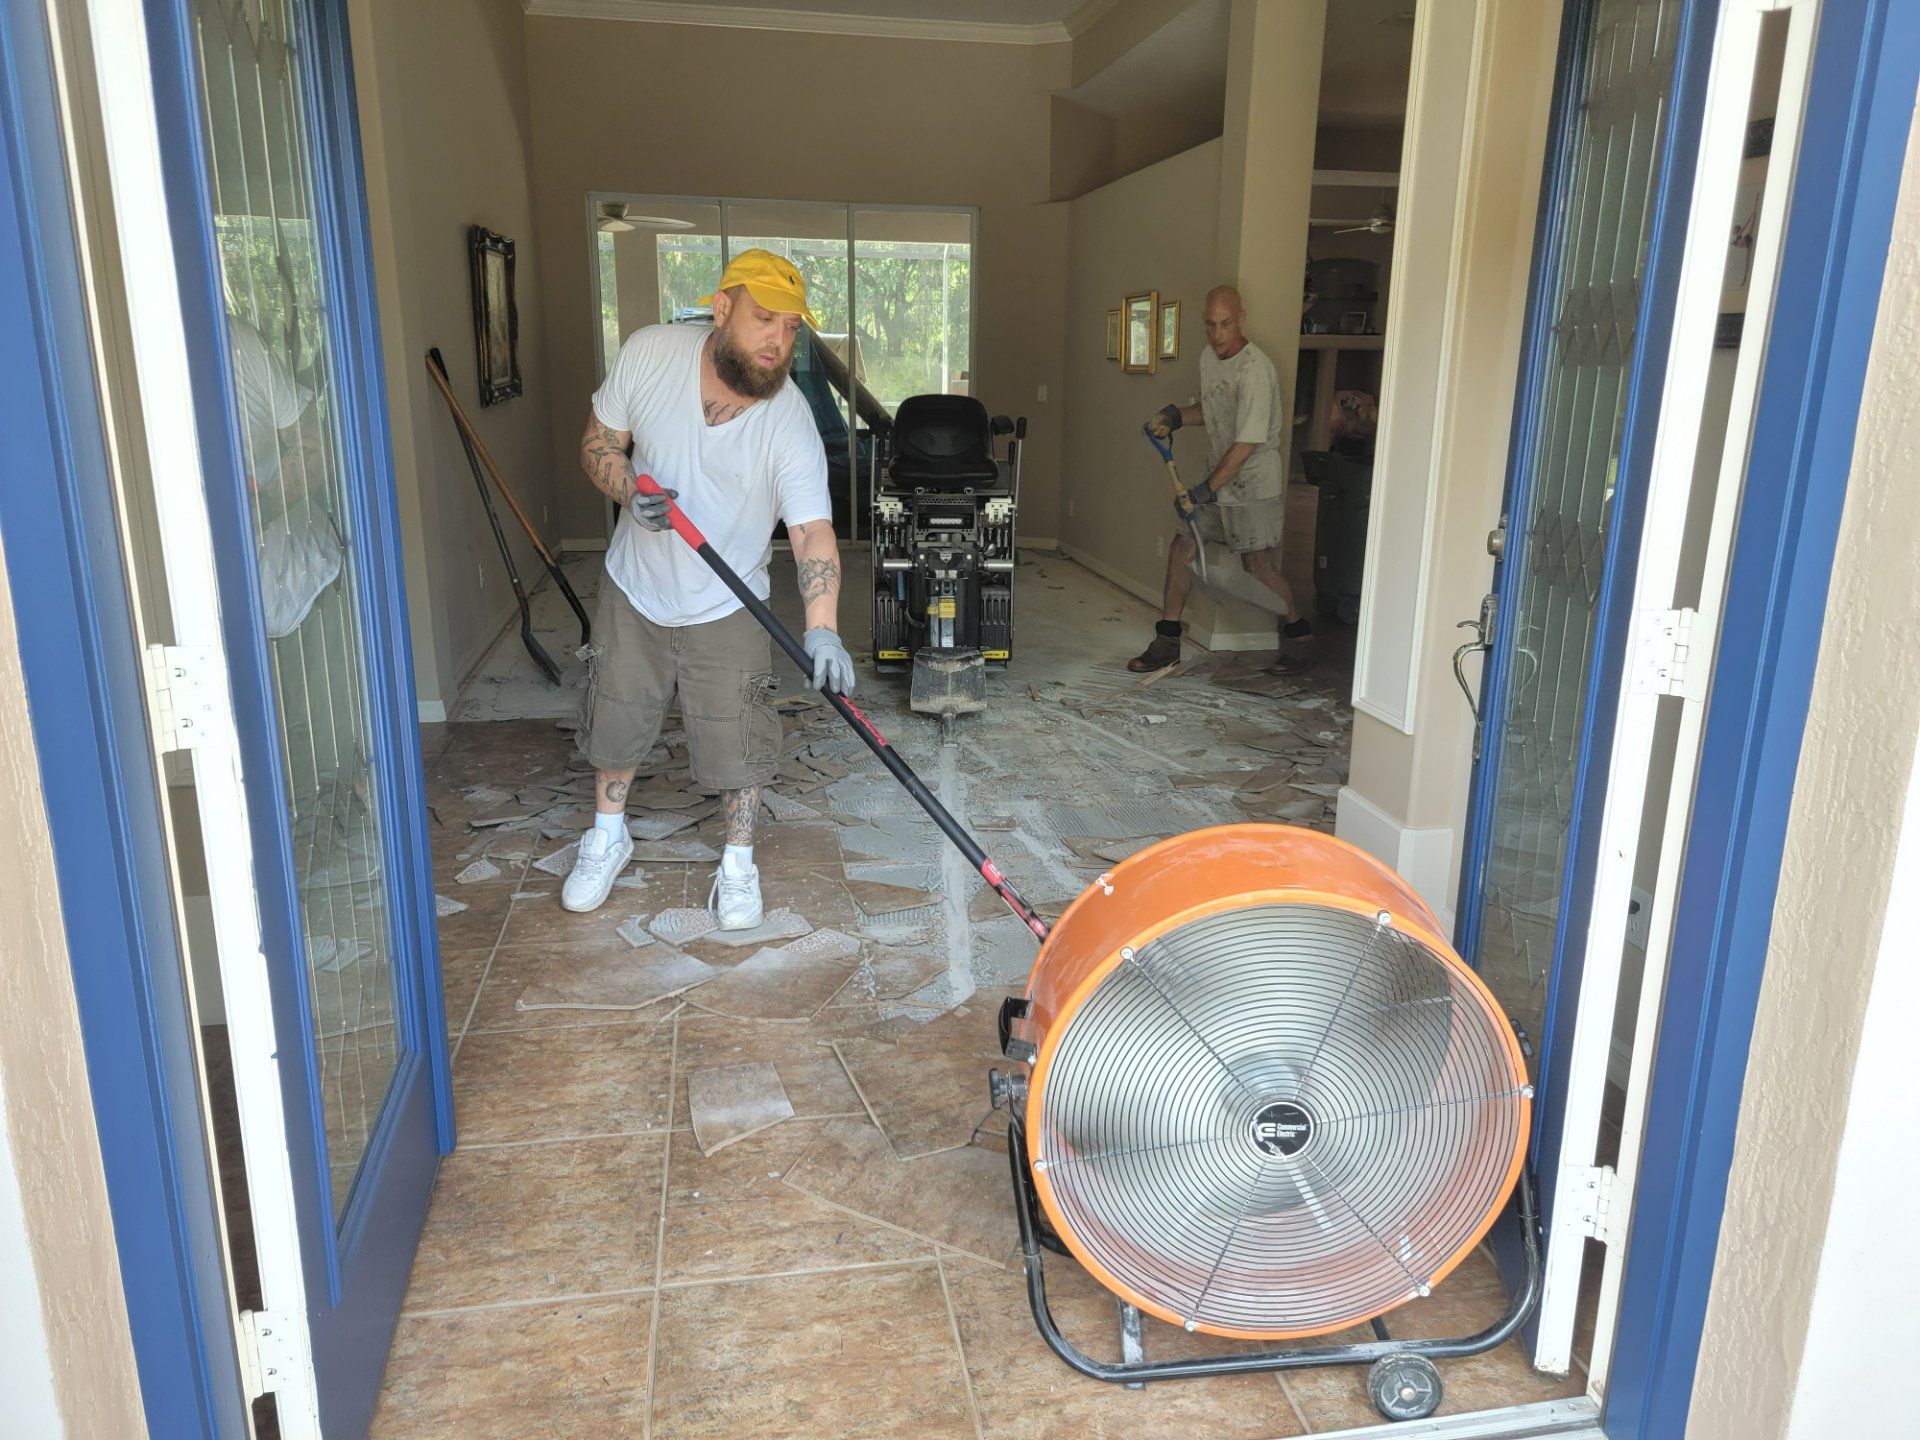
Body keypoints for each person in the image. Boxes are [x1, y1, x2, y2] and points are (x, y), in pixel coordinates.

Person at [563, 249, 854, 927]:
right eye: (763, 319)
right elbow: (598, 443)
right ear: (721, 308)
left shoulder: (788, 419)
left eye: (790, 326)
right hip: (635, 588)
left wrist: (823, 625)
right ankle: (607, 836)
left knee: (740, 739)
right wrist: (628, 490)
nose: (778, 340)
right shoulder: (650, 353)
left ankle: (738, 864)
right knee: (616, 714)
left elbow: (812, 532)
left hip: (730, 603)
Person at [1128, 285, 1313, 675]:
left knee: (1256, 565)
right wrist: (1177, 415)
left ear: (1240, 318)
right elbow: (1214, 412)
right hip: (1218, 477)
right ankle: (1167, 641)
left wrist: (1202, 491)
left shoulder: (1255, 370)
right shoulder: (1209, 360)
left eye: (1225, 325)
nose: (1217, 335)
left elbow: (1245, 444)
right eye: (1210, 326)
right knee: (1182, 548)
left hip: (1252, 485)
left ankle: (1298, 631)